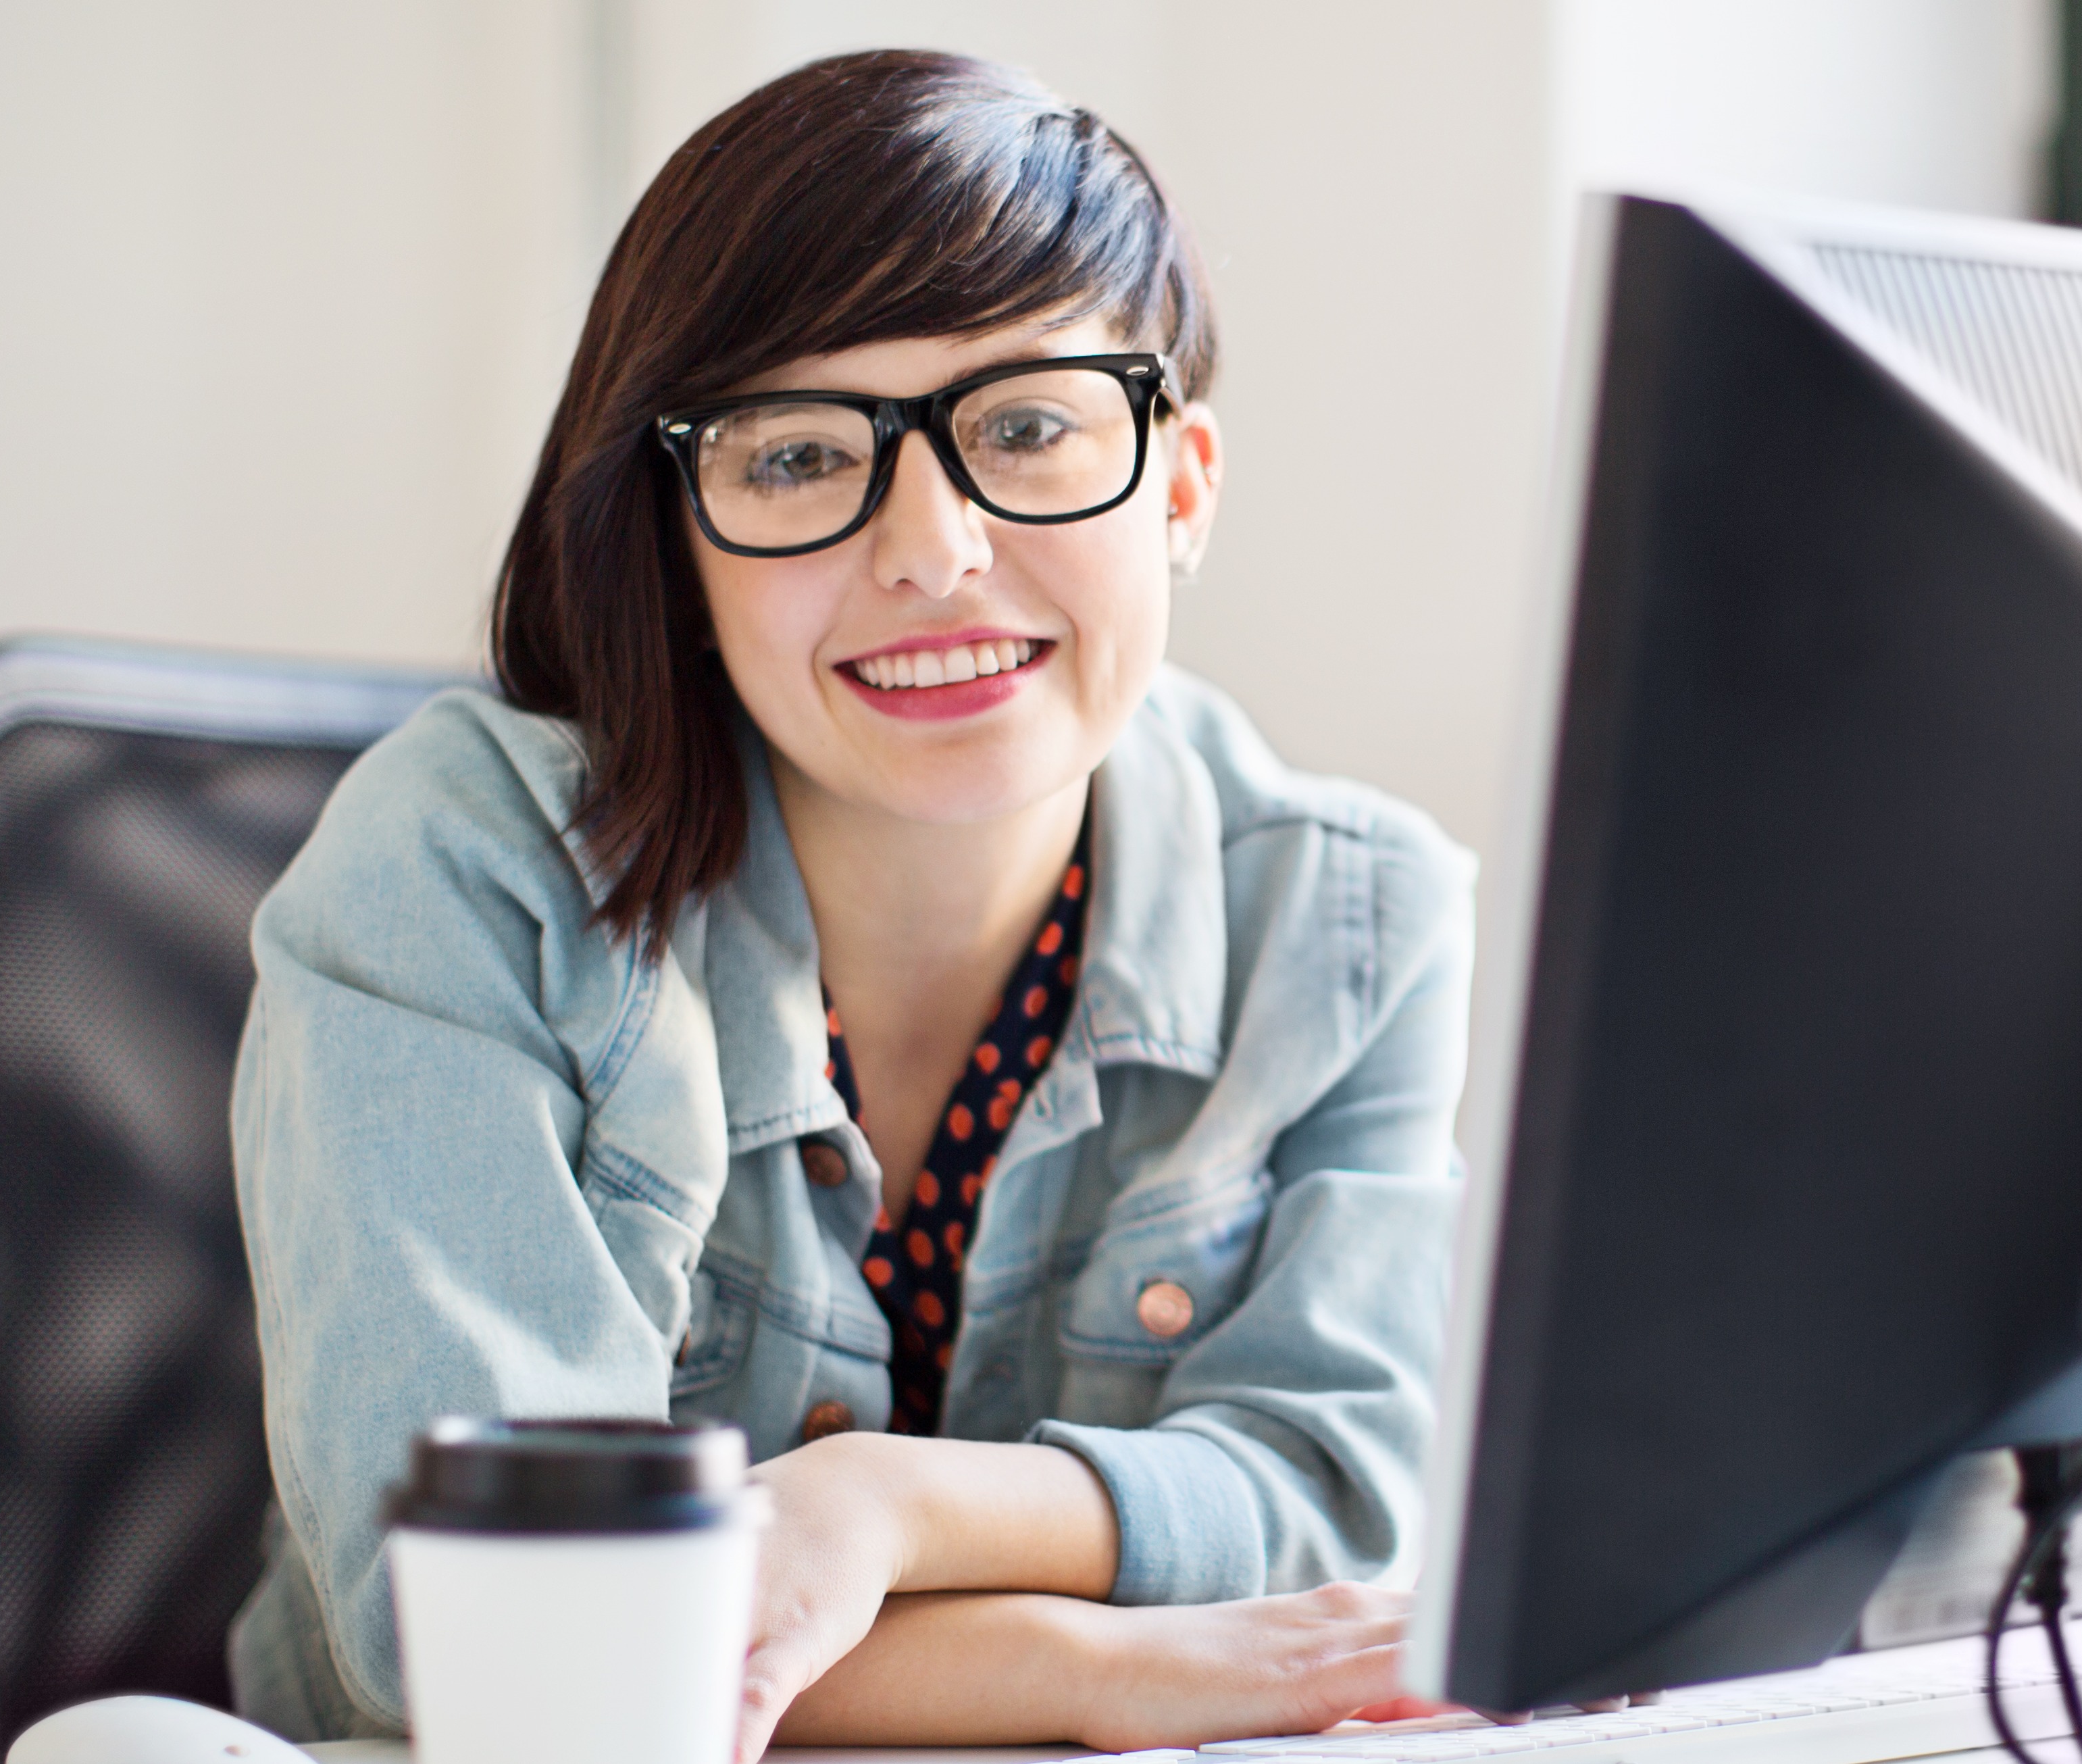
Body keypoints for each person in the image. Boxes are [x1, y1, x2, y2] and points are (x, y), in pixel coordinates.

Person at [224, 50, 1474, 1757]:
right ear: (679, 534)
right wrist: (1103, 1670)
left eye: (1030, 425)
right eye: (802, 455)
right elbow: (491, 1629)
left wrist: (886, 1508)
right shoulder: (456, 870)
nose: (930, 547)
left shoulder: (1356, 926)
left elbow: (1345, 1509)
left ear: (1179, 488)